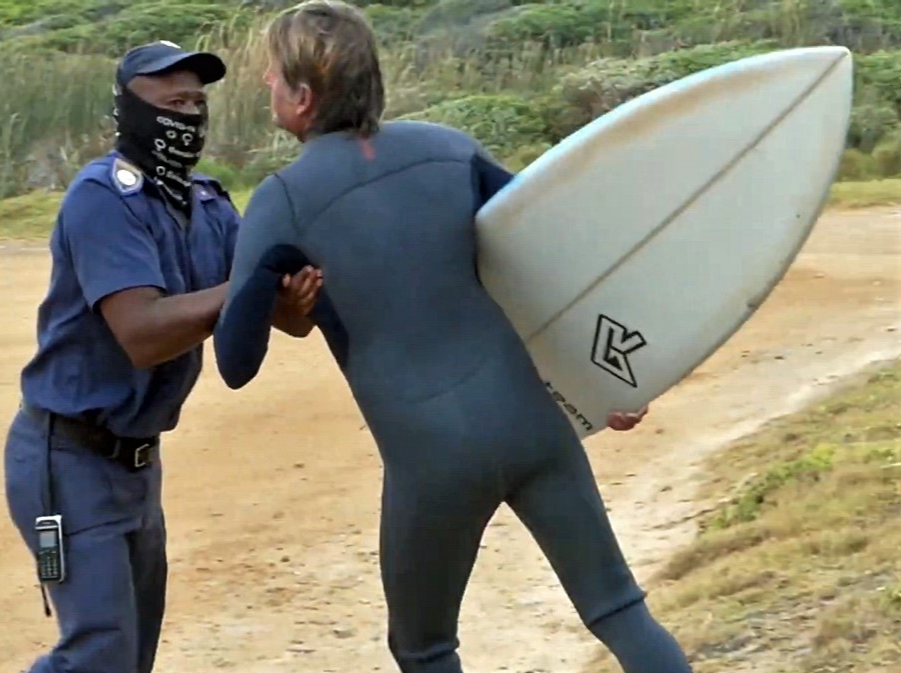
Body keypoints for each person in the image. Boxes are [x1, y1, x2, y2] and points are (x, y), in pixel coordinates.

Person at [211, 2, 690, 673]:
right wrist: (609, 380)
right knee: (618, 608)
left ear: (304, 96)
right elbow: (557, 257)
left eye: (272, 72)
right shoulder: (450, 147)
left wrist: (277, 293)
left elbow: (235, 363)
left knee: (426, 648)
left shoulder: (281, 201)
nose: (265, 81)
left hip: (430, 461)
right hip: (533, 427)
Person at [2, 40, 321, 673]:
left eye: (197, 103)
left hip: (136, 466)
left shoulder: (207, 204)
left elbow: (284, 317)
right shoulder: (103, 199)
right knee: (99, 653)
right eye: (172, 103)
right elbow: (142, 333)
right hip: (68, 461)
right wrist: (249, 283)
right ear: (129, 109)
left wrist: (294, 290)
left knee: (132, 653)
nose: (189, 115)